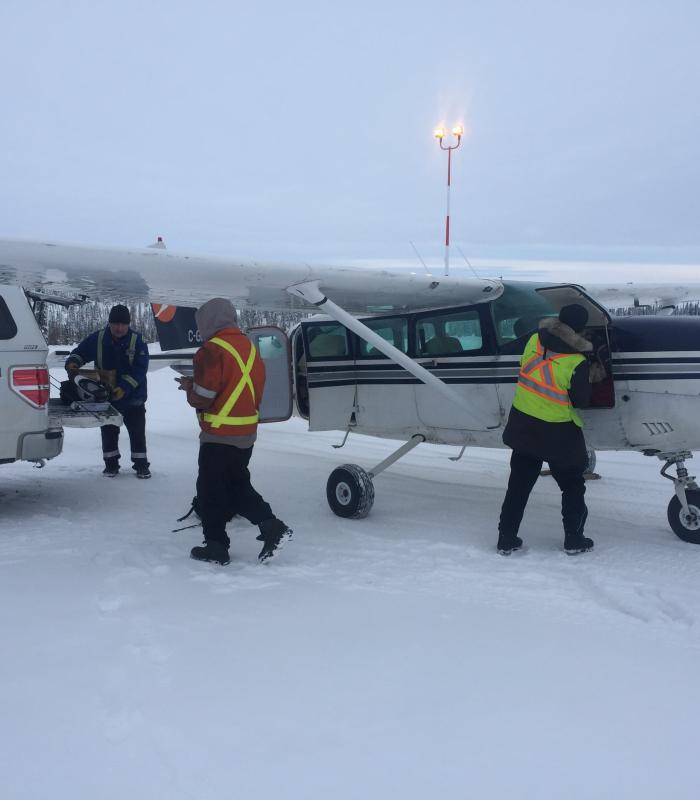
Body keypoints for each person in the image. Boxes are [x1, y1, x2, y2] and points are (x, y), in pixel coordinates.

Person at [176, 297, 292, 565]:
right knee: (236, 485)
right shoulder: (249, 347)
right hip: (245, 433)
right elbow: (240, 385)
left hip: (219, 434)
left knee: (210, 491)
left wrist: (189, 389)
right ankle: (271, 526)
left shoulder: (210, 350)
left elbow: (203, 398)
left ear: (208, 321)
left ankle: (217, 546)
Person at [497, 303, 605, 556]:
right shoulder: (577, 361)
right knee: (572, 488)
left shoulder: (534, 339)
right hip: (559, 435)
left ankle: (506, 539)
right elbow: (582, 401)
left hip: (524, 426)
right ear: (580, 328)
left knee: (518, 487)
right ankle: (574, 540)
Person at [65, 304, 151, 478]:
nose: (119, 328)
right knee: (109, 432)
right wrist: (73, 362)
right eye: (115, 324)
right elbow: (79, 353)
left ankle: (141, 465)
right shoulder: (98, 339)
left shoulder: (137, 341)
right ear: (109, 323)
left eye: (123, 324)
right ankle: (111, 465)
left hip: (134, 398)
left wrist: (124, 388)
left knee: (137, 433)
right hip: (107, 397)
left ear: (129, 324)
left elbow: (140, 369)